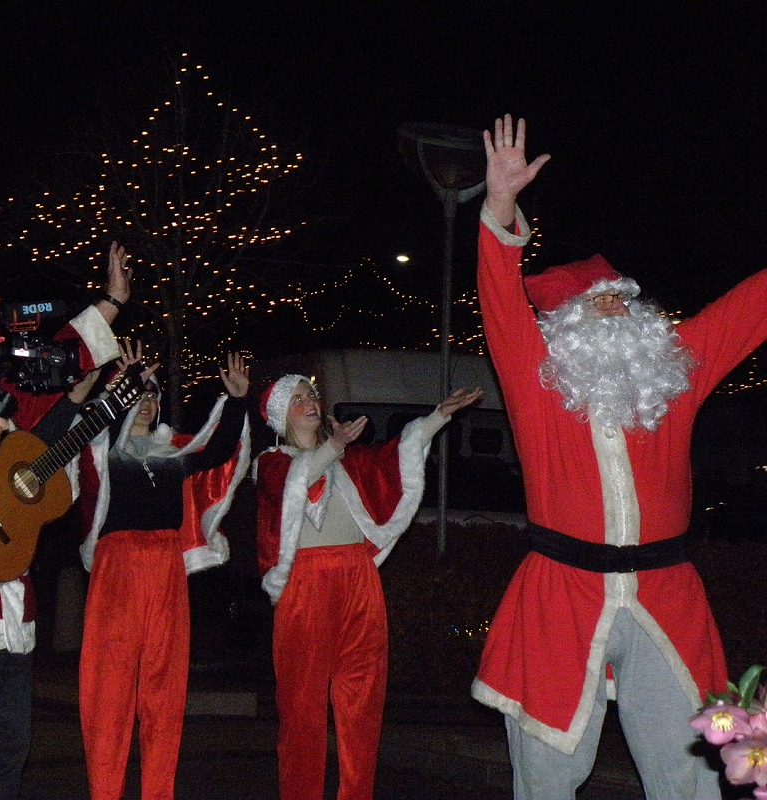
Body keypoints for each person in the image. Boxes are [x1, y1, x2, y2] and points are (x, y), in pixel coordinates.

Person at [470, 114, 767, 800]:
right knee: (547, 767)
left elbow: (749, 308)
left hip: (667, 593)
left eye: (620, 300)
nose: (612, 311)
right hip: (561, 592)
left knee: (688, 766)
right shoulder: (534, 380)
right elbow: (498, 300)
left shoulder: (675, 373)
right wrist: (500, 207)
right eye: (594, 303)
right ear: (561, 328)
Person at [255, 374, 481, 800]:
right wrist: (333, 447)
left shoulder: (347, 460)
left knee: (362, 700)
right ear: (279, 415)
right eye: (297, 398)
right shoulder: (272, 461)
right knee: (302, 708)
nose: (309, 402)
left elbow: (394, 455)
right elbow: (294, 482)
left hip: (358, 578)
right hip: (307, 584)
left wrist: (437, 418)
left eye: (312, 395)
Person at [0, 242, 132, 800]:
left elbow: (65, 354)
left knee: (7, 753)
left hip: (10, 605)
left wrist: (111, 301)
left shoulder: (7, 399)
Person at [73, 340, 251, 800]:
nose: (148, 402)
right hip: (119, 568)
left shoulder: (171, 454)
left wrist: (236, 400)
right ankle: (106, 792)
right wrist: (125, 383)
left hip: (167, 568)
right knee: (110, 690)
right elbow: (96, 423)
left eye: (153, 395)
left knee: (164, 691)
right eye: (140, 394)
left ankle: (158, 792)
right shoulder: (104, 449)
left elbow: (218, 451)